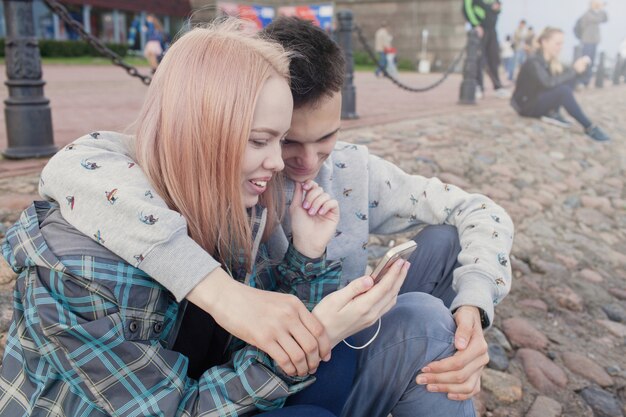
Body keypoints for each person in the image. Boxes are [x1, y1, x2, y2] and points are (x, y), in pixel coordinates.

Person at [40, 17, 514, 413]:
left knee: (439, 292)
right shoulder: (227, 194)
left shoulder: (279, 181)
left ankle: (437, 360)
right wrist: (219, 291)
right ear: (210, 127)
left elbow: (478, 210)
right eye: (276, 139)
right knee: (424, 322)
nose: (301, 163)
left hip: (293, 354)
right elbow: (75, 167)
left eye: (324, 138)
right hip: (277, 367)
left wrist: (470, 306)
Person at [511, 27, 611, 142]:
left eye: (561, 44)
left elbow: (566, 78)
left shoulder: (551, 61)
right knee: (564, 90)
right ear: (544, 42)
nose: (560, 47)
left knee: (569, 78)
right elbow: (548, 83)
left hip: (536, 99)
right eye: (557, 43)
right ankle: (589, 127)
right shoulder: (534, 61)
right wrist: (574, 70)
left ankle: (552, 112)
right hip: (525, 106)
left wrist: (579, 69)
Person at [463, 0, 511, 98]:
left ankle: (497, 87)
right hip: (480, 29)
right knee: (478, 59)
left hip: (492, 30)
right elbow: (466, 8)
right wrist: (476, 24)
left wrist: (498, 8)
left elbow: (498, 7)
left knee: (494, 59)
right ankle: (478, 86)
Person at [577, 0, 608, 87]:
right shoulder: (588, 14)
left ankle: (586, 81)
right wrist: (601, 8)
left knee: (591, 61)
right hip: (587, 41)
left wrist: (602, 9)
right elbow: (598, 19)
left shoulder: (595, 13)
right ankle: (582, 81)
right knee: (586, 61)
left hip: (593, 41)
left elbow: (605, 19)